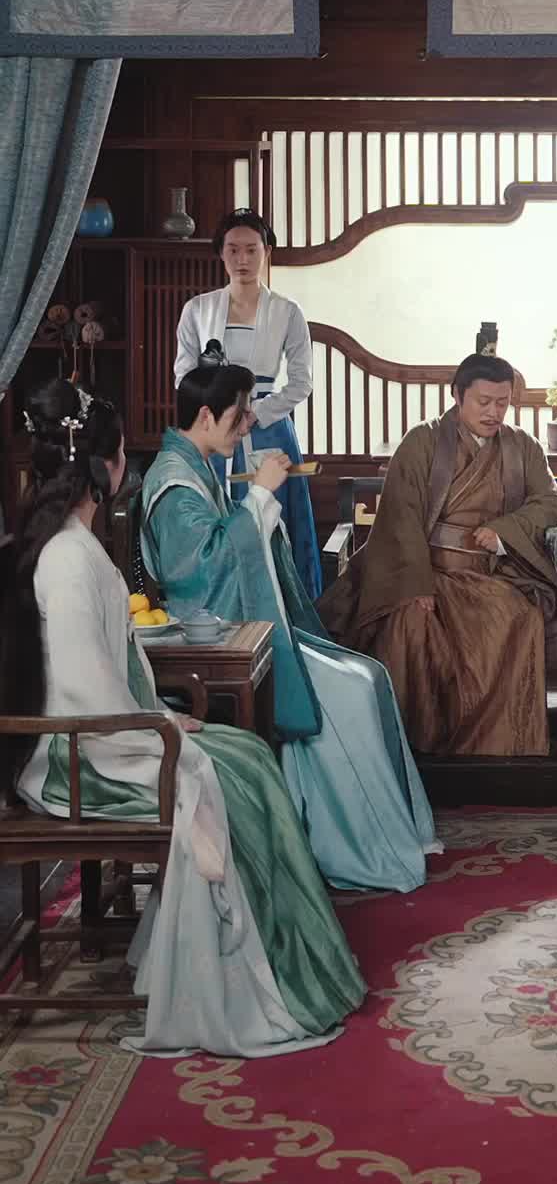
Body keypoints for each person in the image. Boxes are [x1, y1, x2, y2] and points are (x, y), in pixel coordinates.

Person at [12, 378, 365, 1056]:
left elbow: (101, 677)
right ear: (104, 467)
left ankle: (284, 962)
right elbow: (87, 689)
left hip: (102, 732)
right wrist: (162, 728)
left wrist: (159, 718)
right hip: (78, 756)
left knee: (250, 756)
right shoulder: (67, 558)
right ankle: (260, 978)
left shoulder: (70, 544)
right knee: (236, 775)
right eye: (122, 454)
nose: (128, 466)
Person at [139, 351, 440, 891]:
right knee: (349, 691)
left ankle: (387, 833)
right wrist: (258, 496)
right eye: (240, 414)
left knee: (368, 673)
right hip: (210, 631)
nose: (248, 425)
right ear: (205, 416)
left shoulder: (196, 464)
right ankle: (345, 845)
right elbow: (205, 569)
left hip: (237, 622)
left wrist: (259, 503)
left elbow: (231, 541)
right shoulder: (175, 482)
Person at [319, 355, 557, 756]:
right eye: (483, 401)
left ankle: (498, 747)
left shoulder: (522, 446)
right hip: (426, 569)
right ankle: (415, 750)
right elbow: (402, 516)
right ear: (457, 395)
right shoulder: (423, 441)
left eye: (502, 402)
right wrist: (416, 584)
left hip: (489, 572)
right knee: (410, 624)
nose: (493, 412)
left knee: (519, 618)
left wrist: (505, 531)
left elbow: (551, 502)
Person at [175, 208, 322, 597]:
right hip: (213, 429)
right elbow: (183, 376)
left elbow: (302, 382)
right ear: (220, 253)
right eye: (233, 250)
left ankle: (284, 607)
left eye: (251, 250)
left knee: (276, 519)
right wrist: (219, 413)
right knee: (216, 517)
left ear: (266, 251)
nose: (242, 259)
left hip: (268, 427)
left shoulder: (288, 311)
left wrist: (256, 413)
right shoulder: (198, 309)